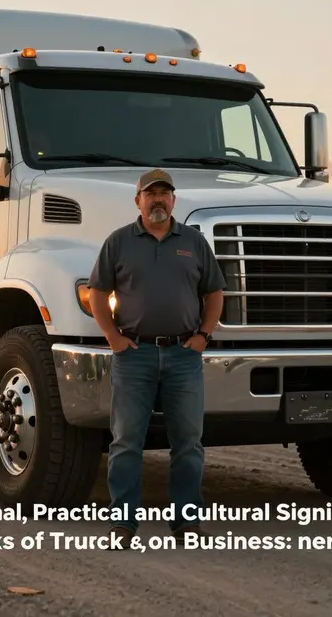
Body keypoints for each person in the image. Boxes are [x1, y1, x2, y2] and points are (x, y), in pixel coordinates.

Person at [87, 168, 226, 549]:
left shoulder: (194, 242)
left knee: (189, 443)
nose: (158, 200)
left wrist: (203, 336)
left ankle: (186, 523)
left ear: (173, 201)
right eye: (151, 194)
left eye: (165, 193)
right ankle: (122, 524)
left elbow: (215, 293)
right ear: (138, 201)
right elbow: (96, 292)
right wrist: (113, 337)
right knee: (126, 442)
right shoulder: (119, 242)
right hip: (135, 355)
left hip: (184, 356)